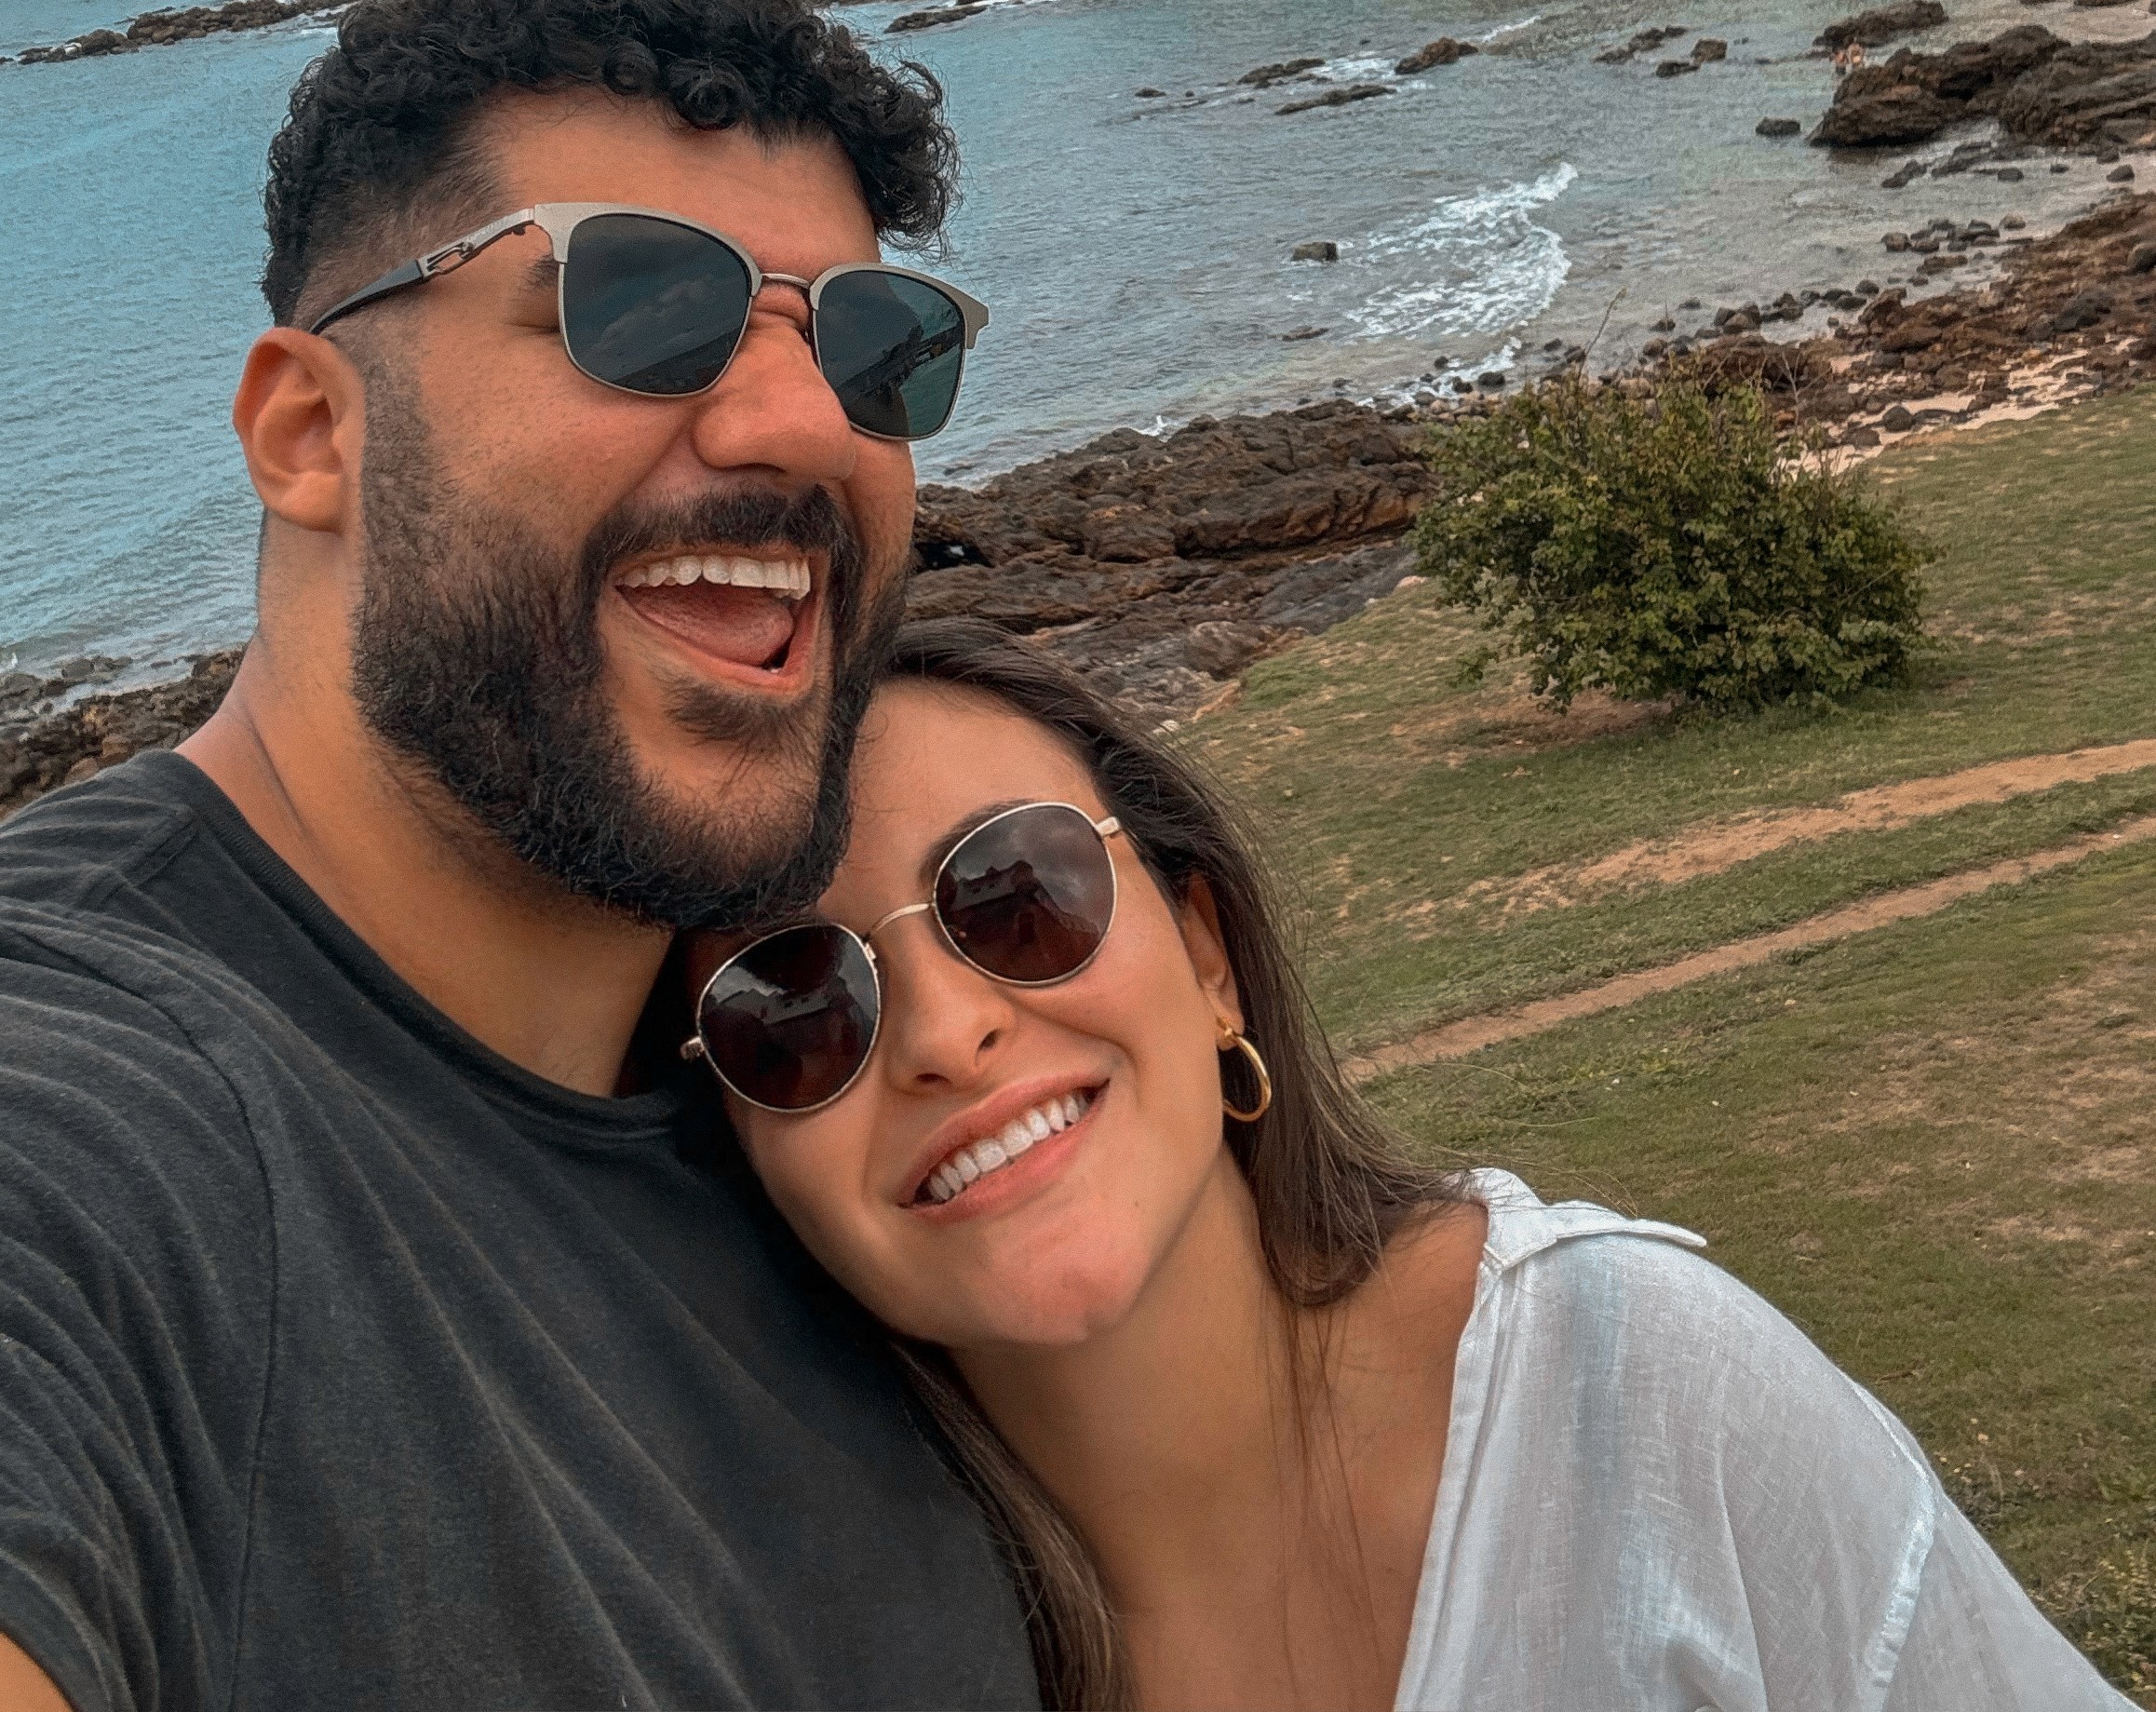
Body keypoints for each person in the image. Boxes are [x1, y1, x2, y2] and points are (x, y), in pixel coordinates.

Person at [0, 0, 1037, 1712]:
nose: (804, 424)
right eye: (647, 302)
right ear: (312, 432)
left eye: (877, 347)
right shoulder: (94, 1124)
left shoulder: (831, 1092)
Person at [702, 620, 2135, 1712]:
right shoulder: (810, 1653)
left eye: (1016, 896)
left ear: (1208, 962)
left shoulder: (1635, 1401)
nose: (948, 1034)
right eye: (793, 1006)